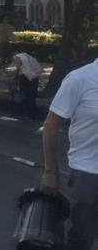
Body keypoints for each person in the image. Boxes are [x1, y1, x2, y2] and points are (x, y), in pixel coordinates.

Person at [41, 55, 98, 250]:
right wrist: (50, 172)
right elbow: (50, 126)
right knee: (81, 238)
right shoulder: (80, 79)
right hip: (88, 174)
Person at [11, 52, 43, 119]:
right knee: (32, 96)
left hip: (25, 77)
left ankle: (23, 113)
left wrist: (15, 77)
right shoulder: (28, 57)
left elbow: (18, 67)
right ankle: (31, 114)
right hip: (34, 78)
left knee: (24, 95)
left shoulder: (18, 57)